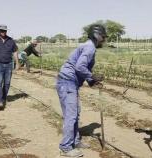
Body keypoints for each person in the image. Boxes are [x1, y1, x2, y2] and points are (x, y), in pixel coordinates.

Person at [56, 24, 107, 157]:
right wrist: (91, 76)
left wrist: (92, 81)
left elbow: (81, 68)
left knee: (75, 113)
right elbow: (80, 67)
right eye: (103, 37)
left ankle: (75, 141)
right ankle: (65, 147)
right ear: (97, 36)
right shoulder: (90, 47)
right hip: (67, 83)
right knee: (71, 115)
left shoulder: (88, 46)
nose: (104, 40)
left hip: (70, 83)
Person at [0, 24, 20, 111]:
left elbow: (15, 51)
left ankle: (3, 98)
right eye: (1, 30)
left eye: (4, 31)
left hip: (9, 64)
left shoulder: (11, 40)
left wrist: (17, 63)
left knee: (7, 84)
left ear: (6, 31)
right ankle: (0, 101)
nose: (3, 32)